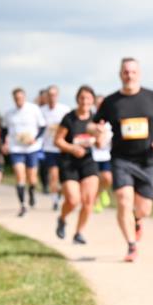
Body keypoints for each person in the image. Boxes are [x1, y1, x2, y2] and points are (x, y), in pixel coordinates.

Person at [89, 57, 153, 262]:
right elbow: (92, 124)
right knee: (124, 200)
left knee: (144, 209)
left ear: (139, 74)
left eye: (133, 72)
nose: (129, 75)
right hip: (121, 159)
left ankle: (137, 220)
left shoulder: (151, 97)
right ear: (120, 74)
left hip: (145, 160)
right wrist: (97, 130)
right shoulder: (111, 102)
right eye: (126, 72)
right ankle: (131, 245)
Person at [54, 86, 100, 243]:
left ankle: (78, 233)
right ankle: (62, 218)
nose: (85, 101)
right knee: (73, 200)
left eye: (88, 98)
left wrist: (100, 136)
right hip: (69, 162)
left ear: (93, 100)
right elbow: (58, 140)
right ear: (77, 99)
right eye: (82, 98)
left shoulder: (96, 119)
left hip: (88, 162)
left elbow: (100, 143)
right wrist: (72, 148)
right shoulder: (69, 118)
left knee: (88, 200)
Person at [4, 87, 46, 217]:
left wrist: (35, 139)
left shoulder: (34, 109)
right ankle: (22, 205)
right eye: (16, 98)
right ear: (13, 99)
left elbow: (42, 127)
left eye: (21, 98)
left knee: (32, 178)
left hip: (31, 148)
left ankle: (32, 192)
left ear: (25, 97)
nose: (19, 100)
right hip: (16, 148)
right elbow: (4, 130)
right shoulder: (9, 113)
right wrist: (4, 143)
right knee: (19, 176)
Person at [39, 84, 71, 212]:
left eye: (54, 95)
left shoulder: (65, 109)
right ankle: (55, 201)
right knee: (53, 175)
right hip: (49, 148)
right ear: (46, 96)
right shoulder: (41, 111)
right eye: (50, 95)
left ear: (57, 96)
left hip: (63, 147)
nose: (52, 97)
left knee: (64, 178)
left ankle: (60, 194)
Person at [90, 94, 114, 213]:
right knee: (94, 180)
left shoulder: (111, 118)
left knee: (107, 178)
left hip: (106, 154)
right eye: (98, 103)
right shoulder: (91, 118)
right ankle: (96, 201)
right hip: (93, 154)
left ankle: (102, 192)